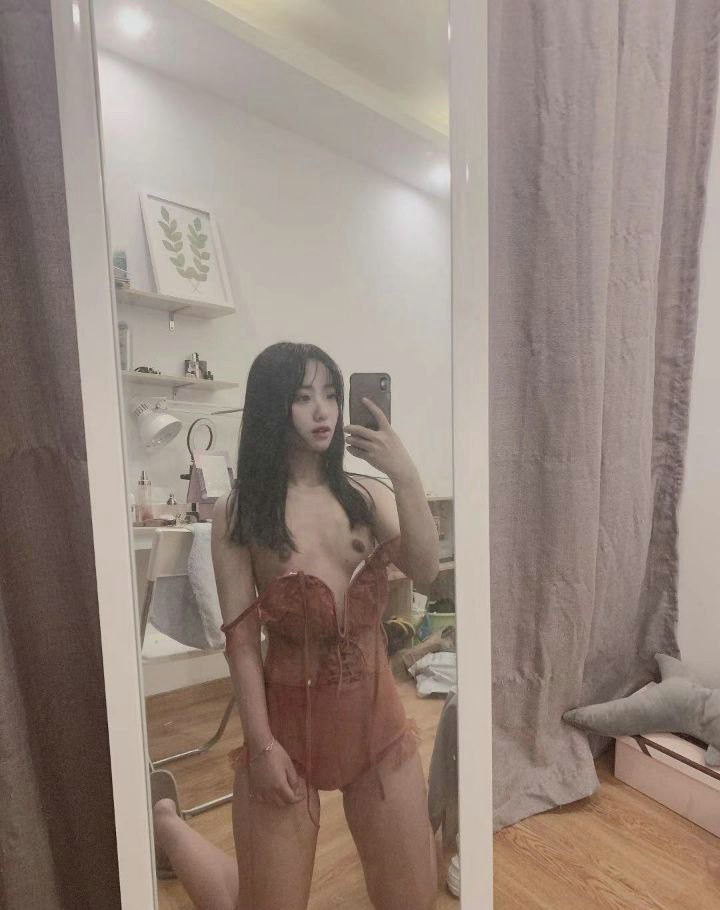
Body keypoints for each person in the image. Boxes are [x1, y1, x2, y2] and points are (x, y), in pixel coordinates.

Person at [151, 342, 440, 910]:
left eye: (331, 395)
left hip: (378, 731)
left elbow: (427, 569)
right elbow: (240, 643)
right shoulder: (241, 512)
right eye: (303, 397)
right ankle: (167, 823)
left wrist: (404, 474)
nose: (323, 410)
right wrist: (261, 747)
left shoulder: (366, 495)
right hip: (285, 735)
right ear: (272, 407)